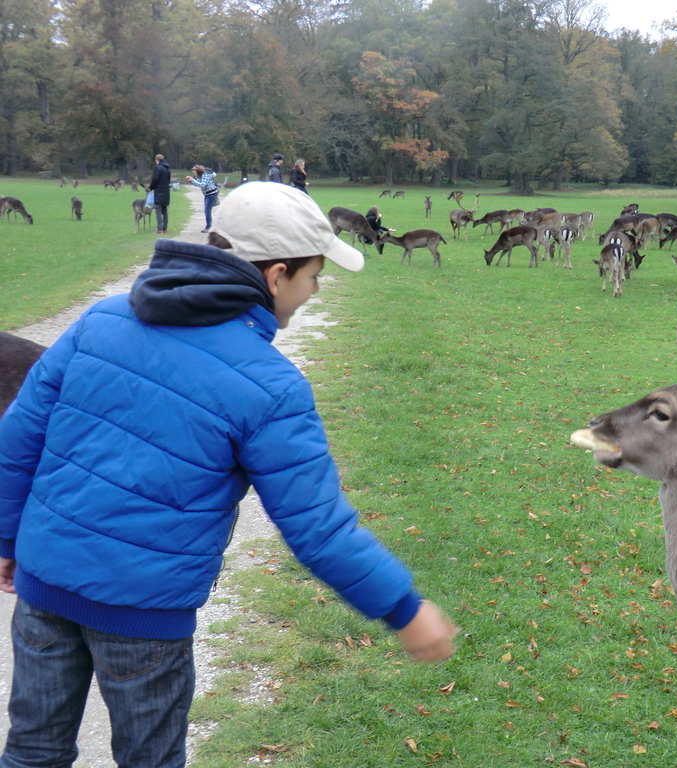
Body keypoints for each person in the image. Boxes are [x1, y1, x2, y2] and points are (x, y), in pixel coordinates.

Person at [0, 182, 458, 768]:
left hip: (44, 585)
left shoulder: (100, 320)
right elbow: (319, 529)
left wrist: (8, 540)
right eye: (314, 275)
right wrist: (404, 608)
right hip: (146, 615)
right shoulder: (271, 387)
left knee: (33, 751)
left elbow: (17, 440)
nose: (316, 291)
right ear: (276, 276)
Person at [184, 163, 218, 232]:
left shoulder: (205, 175)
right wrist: (191, 181)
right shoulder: (200, 176)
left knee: (207, 211)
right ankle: (210, 226)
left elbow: (203, 185)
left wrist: (192, 180)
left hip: (211, 194)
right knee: (207, 210)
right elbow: (198, 184)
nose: (193, 173)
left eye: (194, 171)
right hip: (208, 194)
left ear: (197, 171)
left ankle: (209, 227)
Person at [147, 153, 171, 234]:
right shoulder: (167, 168)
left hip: (159, 192)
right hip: (166, 192)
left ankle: (159, 229)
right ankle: (165, 229)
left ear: (157, 160)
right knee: (164, 211)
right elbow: (168, 180)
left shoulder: (158, 167)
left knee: (158, 210)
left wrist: (151, 187)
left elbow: (155, 179)